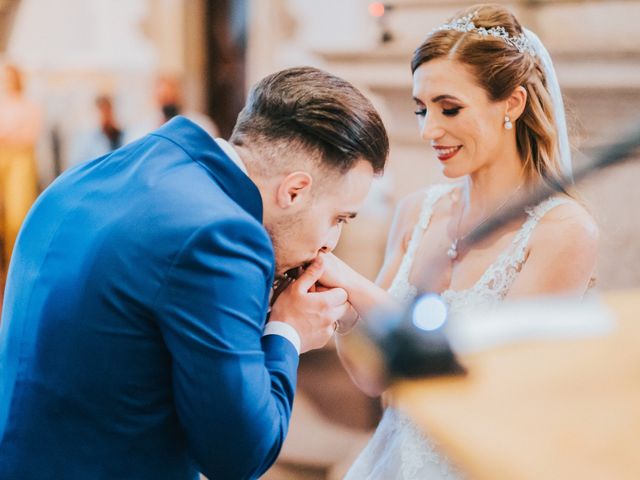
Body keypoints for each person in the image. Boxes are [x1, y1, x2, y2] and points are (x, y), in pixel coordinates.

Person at [0, 66, 389, 479]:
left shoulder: (98, 172)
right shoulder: (223, 235)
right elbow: (240, 457)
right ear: (294, 191)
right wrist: (288, 332)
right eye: (338, 218)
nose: (331, 242)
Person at [317, 5, 599, 479]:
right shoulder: (416, 212)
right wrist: (341, 308)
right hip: (395, 461)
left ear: (512, 103)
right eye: (421, 110)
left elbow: (490, 386)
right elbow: (372, 377)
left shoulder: (563, 231)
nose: (429, 130)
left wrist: (358, 288)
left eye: (449, 108)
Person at [0, 62, 41, 269]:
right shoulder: (3, 104)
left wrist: (9, 137)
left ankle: (14, 267)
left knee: (18, 216)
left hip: (20, 161)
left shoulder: (28, 106)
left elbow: (29, 136)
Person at [68, 94, 125, 166]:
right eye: (103, 111)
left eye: (109, 110)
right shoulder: (86, 139)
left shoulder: (120, 135)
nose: (107, 115)